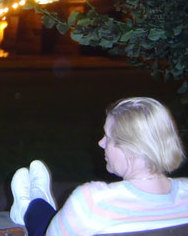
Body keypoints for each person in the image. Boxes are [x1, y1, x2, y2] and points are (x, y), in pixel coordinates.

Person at [10, 97, 188, 236]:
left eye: (108, 138)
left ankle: (31, 206)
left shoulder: (94, 201)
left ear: (131, 147)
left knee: (43, 222)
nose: (101, 143)